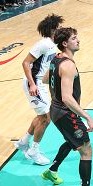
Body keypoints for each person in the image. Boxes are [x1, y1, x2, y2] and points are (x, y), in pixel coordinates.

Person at [41, 27, 93, 186]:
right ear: (64, 43)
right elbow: (68, 98)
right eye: (74, 38)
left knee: (72, 142)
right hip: (65, 113)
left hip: (55, 110)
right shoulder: (68, 65)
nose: (78, 41)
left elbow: (46, 79)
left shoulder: (56, 59)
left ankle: (51, 171)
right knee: (86, 150)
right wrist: (87, 117)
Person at [15, 14, 64, 165]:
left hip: (40, 83)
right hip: (34, 83)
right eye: (59, 27)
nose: (61, 29)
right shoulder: (43, 44)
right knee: (46, 118)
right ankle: (34, 151)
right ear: (52, 29)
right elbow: (25, 63)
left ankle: (23, 142)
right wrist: (33, 84)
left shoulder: (52, 45)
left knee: (41, 116)